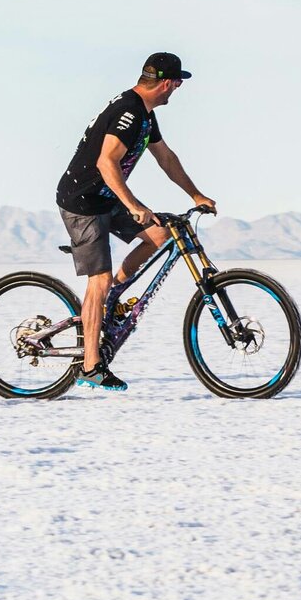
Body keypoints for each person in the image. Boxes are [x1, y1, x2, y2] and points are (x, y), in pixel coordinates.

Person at [56, 52, 217, 391]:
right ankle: (90, 365)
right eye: (177, 83)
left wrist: (195, 195)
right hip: (83, 201)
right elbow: (105, 162)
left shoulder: (146, 114)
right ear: (167, 83)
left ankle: (111, 299)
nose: (178, 90)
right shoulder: (128, 112)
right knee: (97, 281)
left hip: (106, 195)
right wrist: (133, 204)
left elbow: (167, 158)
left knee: (160, 236)